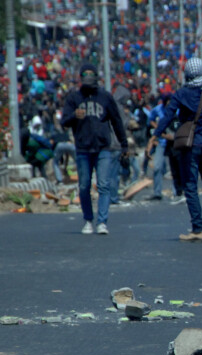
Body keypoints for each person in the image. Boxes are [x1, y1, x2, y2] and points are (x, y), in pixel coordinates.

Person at [149, 31, 202, 243]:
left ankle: (198, 229)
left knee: (191, 186)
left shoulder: (182, 94)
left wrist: (155, 136)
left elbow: (168, 116)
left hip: (190, 145)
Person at [61, 63, 128, 235]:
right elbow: (64, 122)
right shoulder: (74, 98)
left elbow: (116, 121)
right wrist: (74, 116)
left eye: (92, 73)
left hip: (103, 148)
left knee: (104, 185)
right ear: (81, 76)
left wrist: (124, 143)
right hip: (83, 148)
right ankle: (88, 219)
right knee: (84, 186)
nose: (89, 76)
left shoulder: (105, 97)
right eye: (86, 74)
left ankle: (102, 222)